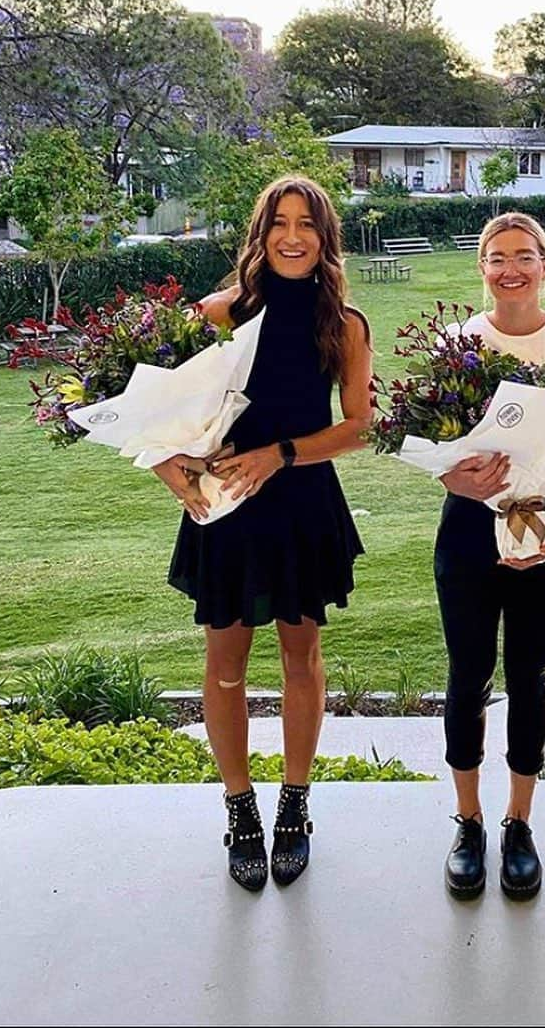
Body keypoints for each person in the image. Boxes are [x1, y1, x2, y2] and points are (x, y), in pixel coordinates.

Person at [154, 175, 373, 892]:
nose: (292, 236)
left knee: (301, 658)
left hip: (302, 502)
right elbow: (149, 406)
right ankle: (239, 805)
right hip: (230, 511)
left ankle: (294, 806)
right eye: (279, 222)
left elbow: (357, 426)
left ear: (324, 236)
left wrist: (279, 454)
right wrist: (172, 471)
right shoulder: (218, 313)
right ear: (260, 232)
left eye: (306, 224)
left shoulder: (343, 324)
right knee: (224, 663)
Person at [437, 212, 545, 901]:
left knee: (530, 677)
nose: (510, 269)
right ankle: (469, 822)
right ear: (481, 268)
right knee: (467, 676)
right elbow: (439, 450)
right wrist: (456, 478)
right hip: (468, 530)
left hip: (543, 528)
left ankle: (519, 824)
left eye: (524, 256)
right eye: (496, 257)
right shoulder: (460, 343)